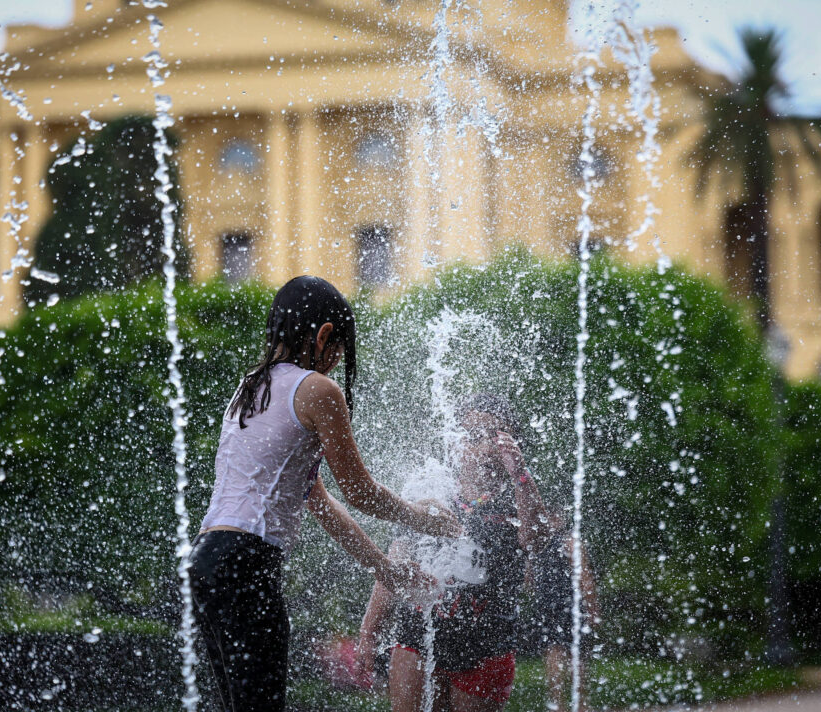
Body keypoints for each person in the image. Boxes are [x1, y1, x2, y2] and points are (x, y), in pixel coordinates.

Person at [188, 276, 461, 712]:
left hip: (207, 561)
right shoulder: (317, 390)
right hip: (246, 561)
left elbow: (320, 501)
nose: (335, 364)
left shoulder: (250, 388)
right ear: (324, 335)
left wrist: (385, 569)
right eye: (338, 352)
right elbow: (359, 492)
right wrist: (420, 517)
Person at [358, 394, 555, 712]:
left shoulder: (518, 496)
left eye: (497, 438)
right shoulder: (433, 492)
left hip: (486, 649)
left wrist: (521, 474)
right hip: (418, 640)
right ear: (457, 443)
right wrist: (369, 632)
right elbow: (396, 563)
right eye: (475, 438)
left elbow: (536, 540)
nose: (487, 449)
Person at [529, 515, 600, 712]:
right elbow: (583, 575)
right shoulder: (570, 541)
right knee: (576, 652)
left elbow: (529, 579)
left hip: (546, 604)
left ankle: (557, 703)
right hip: (569, 603)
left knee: (553, 650)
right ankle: (581, 703)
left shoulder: (537, 545)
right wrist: (592, 607)